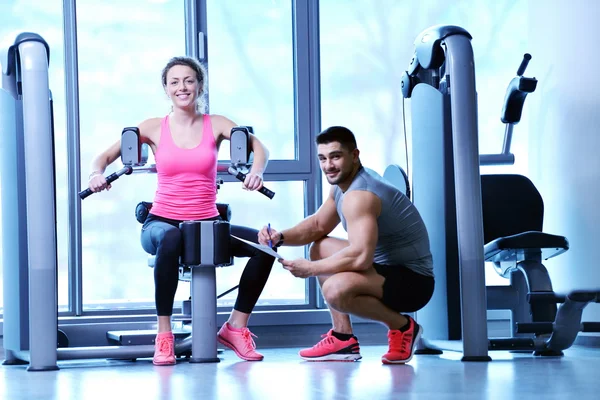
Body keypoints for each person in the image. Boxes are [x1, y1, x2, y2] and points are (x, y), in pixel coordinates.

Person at [87, 56, 275, 366]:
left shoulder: (216, 124)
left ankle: (235, 327)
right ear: (166, 88)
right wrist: (96, 175)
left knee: (264, 247)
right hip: (161, 223)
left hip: (206, 223)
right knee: (172, 237)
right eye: (174, 82)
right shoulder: (151, 127)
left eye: (188, 80)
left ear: (199, 86)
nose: (182, 87)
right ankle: (165, 336)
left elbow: (260, 149)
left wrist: (257, 172)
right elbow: (102, 157)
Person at [259, 126, 434, 364]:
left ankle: (403, 327)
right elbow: (318, 225)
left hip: (413, 282)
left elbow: (360, 257)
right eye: (323, 158)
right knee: (319, 247)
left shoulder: (360, 195)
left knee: (335, 290)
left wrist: (310, 269)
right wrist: (279, 237)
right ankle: (343, 339)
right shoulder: (344, 185)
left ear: (354, 155)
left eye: (336, 156)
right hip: (385, 267)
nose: (328, 165)